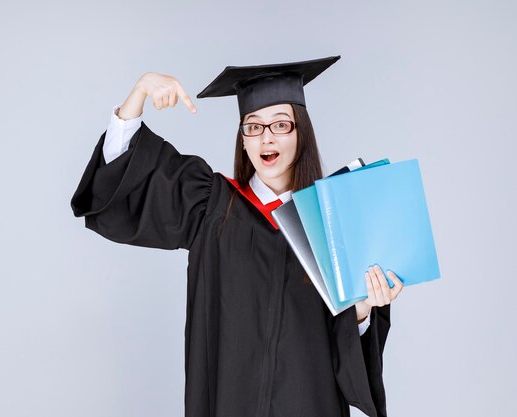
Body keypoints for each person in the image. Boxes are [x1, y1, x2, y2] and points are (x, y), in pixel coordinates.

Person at [71, 56, 404, 417]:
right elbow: (122, 180)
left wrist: (363, 311)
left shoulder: (334, 224)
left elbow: (346, 360)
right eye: (253, 126)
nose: (267, 137)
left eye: (280, 125)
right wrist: (138, 94)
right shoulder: (210, 206)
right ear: (242, 139)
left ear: (300, 134)